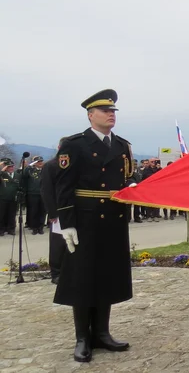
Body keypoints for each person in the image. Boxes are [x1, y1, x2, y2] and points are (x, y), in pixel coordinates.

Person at [54, 89, 136, 362]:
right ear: (91, 115)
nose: (111, 114)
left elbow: (124, 181)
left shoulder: (122, 146)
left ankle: (102, 332)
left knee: (108, 274)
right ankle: (82, 337)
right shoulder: (75, 144)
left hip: (113, 218)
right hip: (85, 218)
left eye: (113, 111)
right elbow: (63, 187)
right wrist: (66, 223)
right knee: (83, 277)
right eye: (105, 111)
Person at [41, 139, 69, 284]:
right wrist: (52, 213)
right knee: (58, 242)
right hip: (58, 210)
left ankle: (70, 270)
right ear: (59, 148)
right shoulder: (51, 165)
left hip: (73, 208)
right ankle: (56, 272)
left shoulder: (75, 165)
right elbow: (47, 191)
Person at [21, 156, 46, 234]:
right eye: (38, 162)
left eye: (41, 161)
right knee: (33, 212)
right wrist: (29, 166)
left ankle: (40, 227)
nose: (40, 163)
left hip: (43, 194)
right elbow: (23, 175)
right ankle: (34, 228)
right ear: (35, 163)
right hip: (33, 194)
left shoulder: (45, 170)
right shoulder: (30, 170)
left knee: (42, 211)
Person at [0, 158, 20, 236]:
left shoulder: (17, 175)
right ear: (6, 167)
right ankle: (1, 229)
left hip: (13, 198)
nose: (11, 168)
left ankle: (11, 229)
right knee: (2, 215)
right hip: (3, 198)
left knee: (12, 215)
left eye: (12, 166)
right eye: (9, 166)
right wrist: (2, 168)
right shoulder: (2, 175)